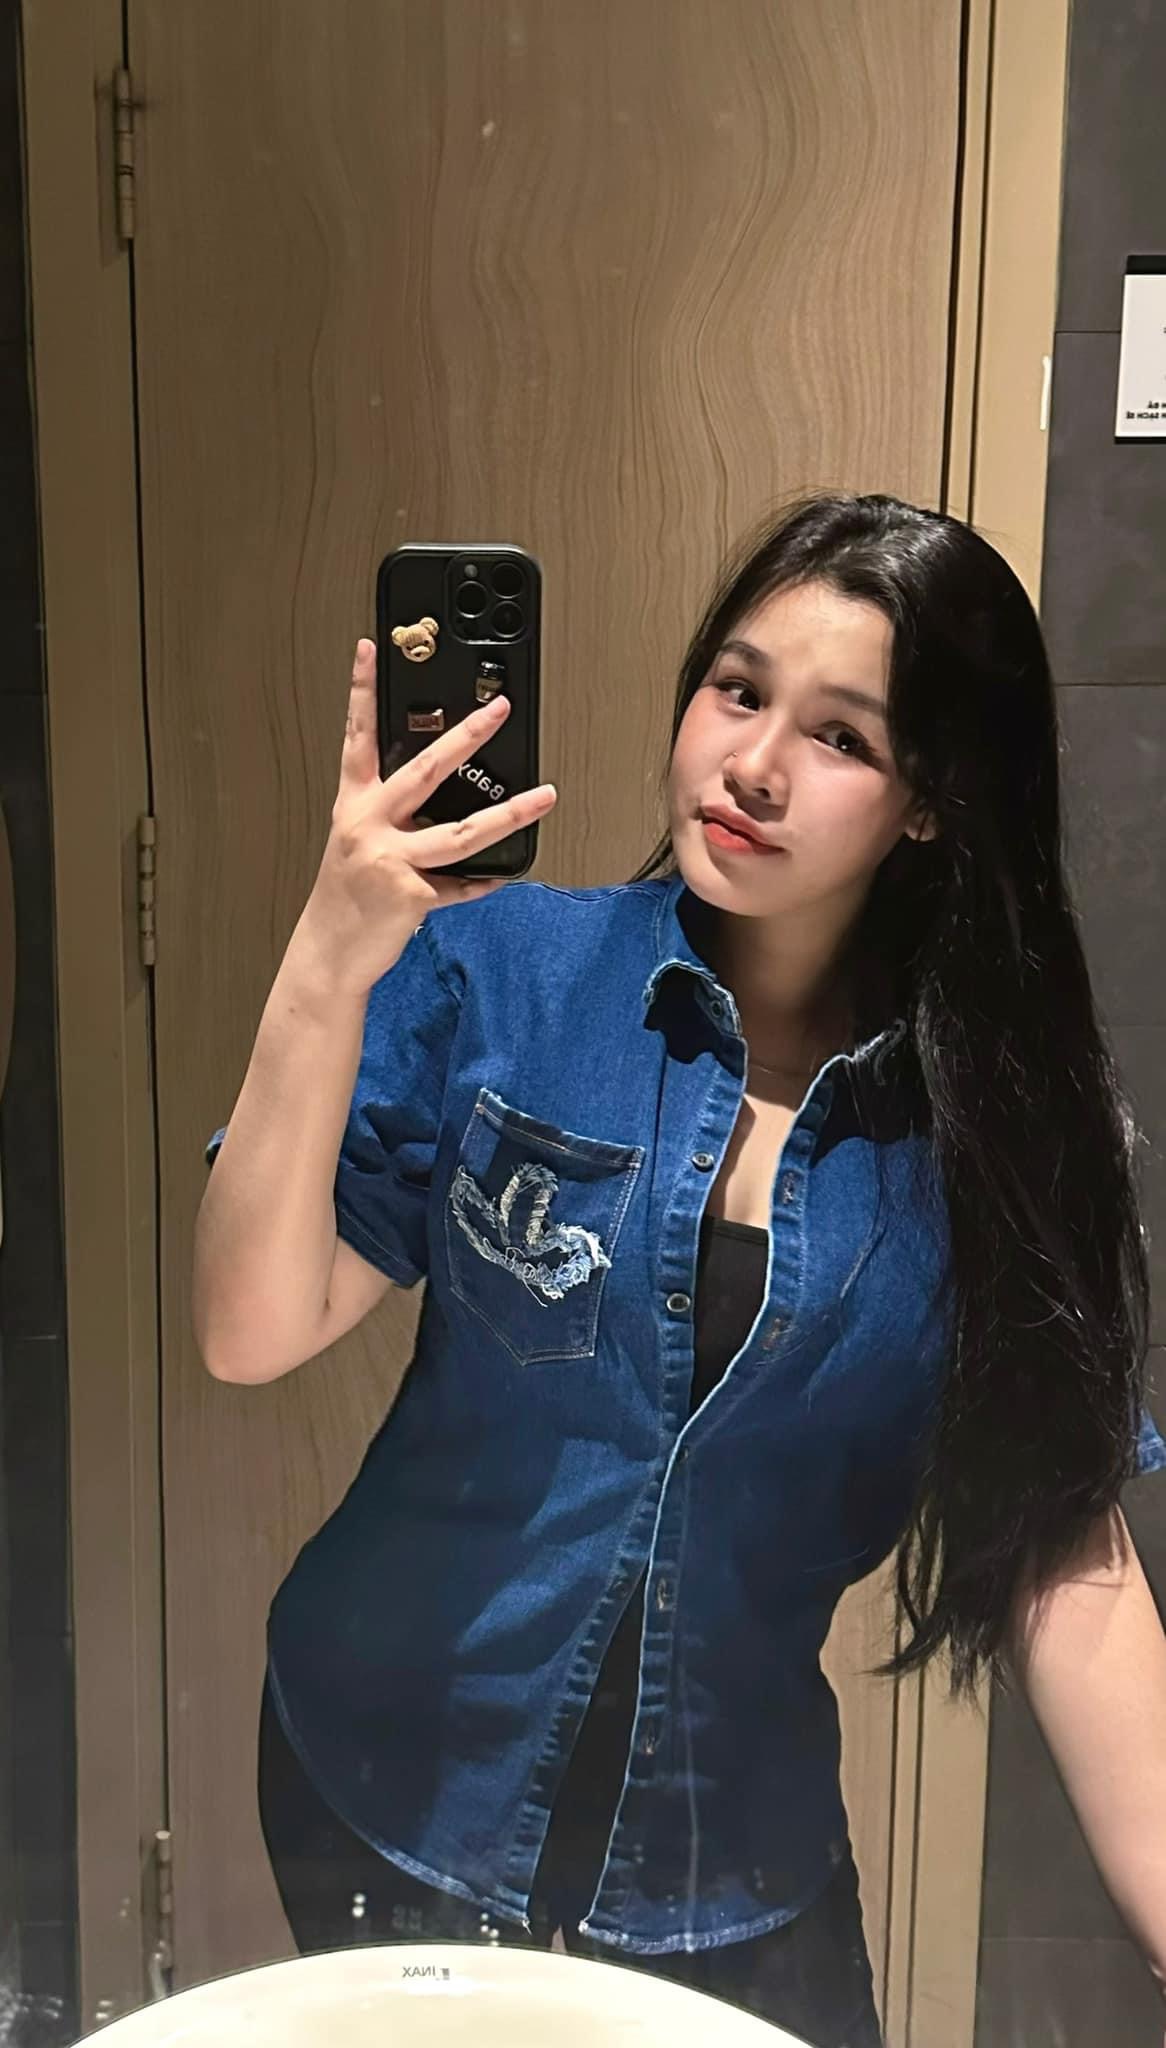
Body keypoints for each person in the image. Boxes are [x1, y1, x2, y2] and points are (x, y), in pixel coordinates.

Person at [193, 494, 1166, 2048]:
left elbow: (1065, 1547)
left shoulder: (989, 1132)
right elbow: (252, 1330)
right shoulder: (504, 972)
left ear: (931, 801)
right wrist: (329, 955)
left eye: (840, 737)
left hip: (726, 1856)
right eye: (735, 688)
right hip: (385, 1775)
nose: (754, 764)